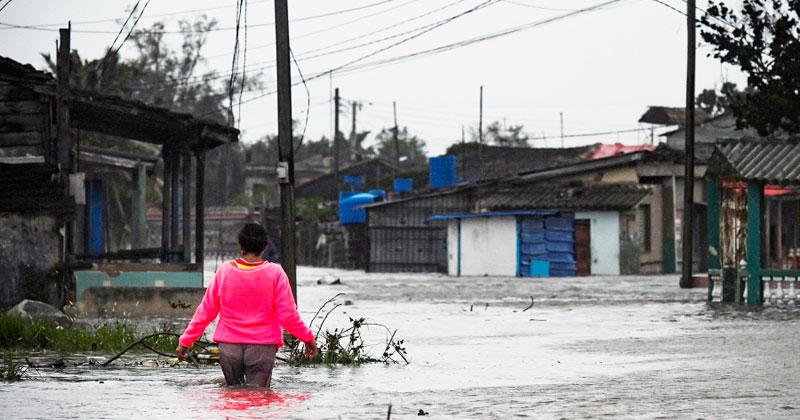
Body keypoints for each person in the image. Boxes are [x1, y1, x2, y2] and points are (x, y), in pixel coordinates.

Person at [176, 222, 319, 387]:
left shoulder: (224, 271)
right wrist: (307, 338)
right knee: (258, 397)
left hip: (229, 348)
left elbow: (206, 311)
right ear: (264, 246)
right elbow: (288, 315)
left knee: (234, 397)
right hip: (262, 347)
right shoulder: (275, 273)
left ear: (240, 244)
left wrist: (186, 341)